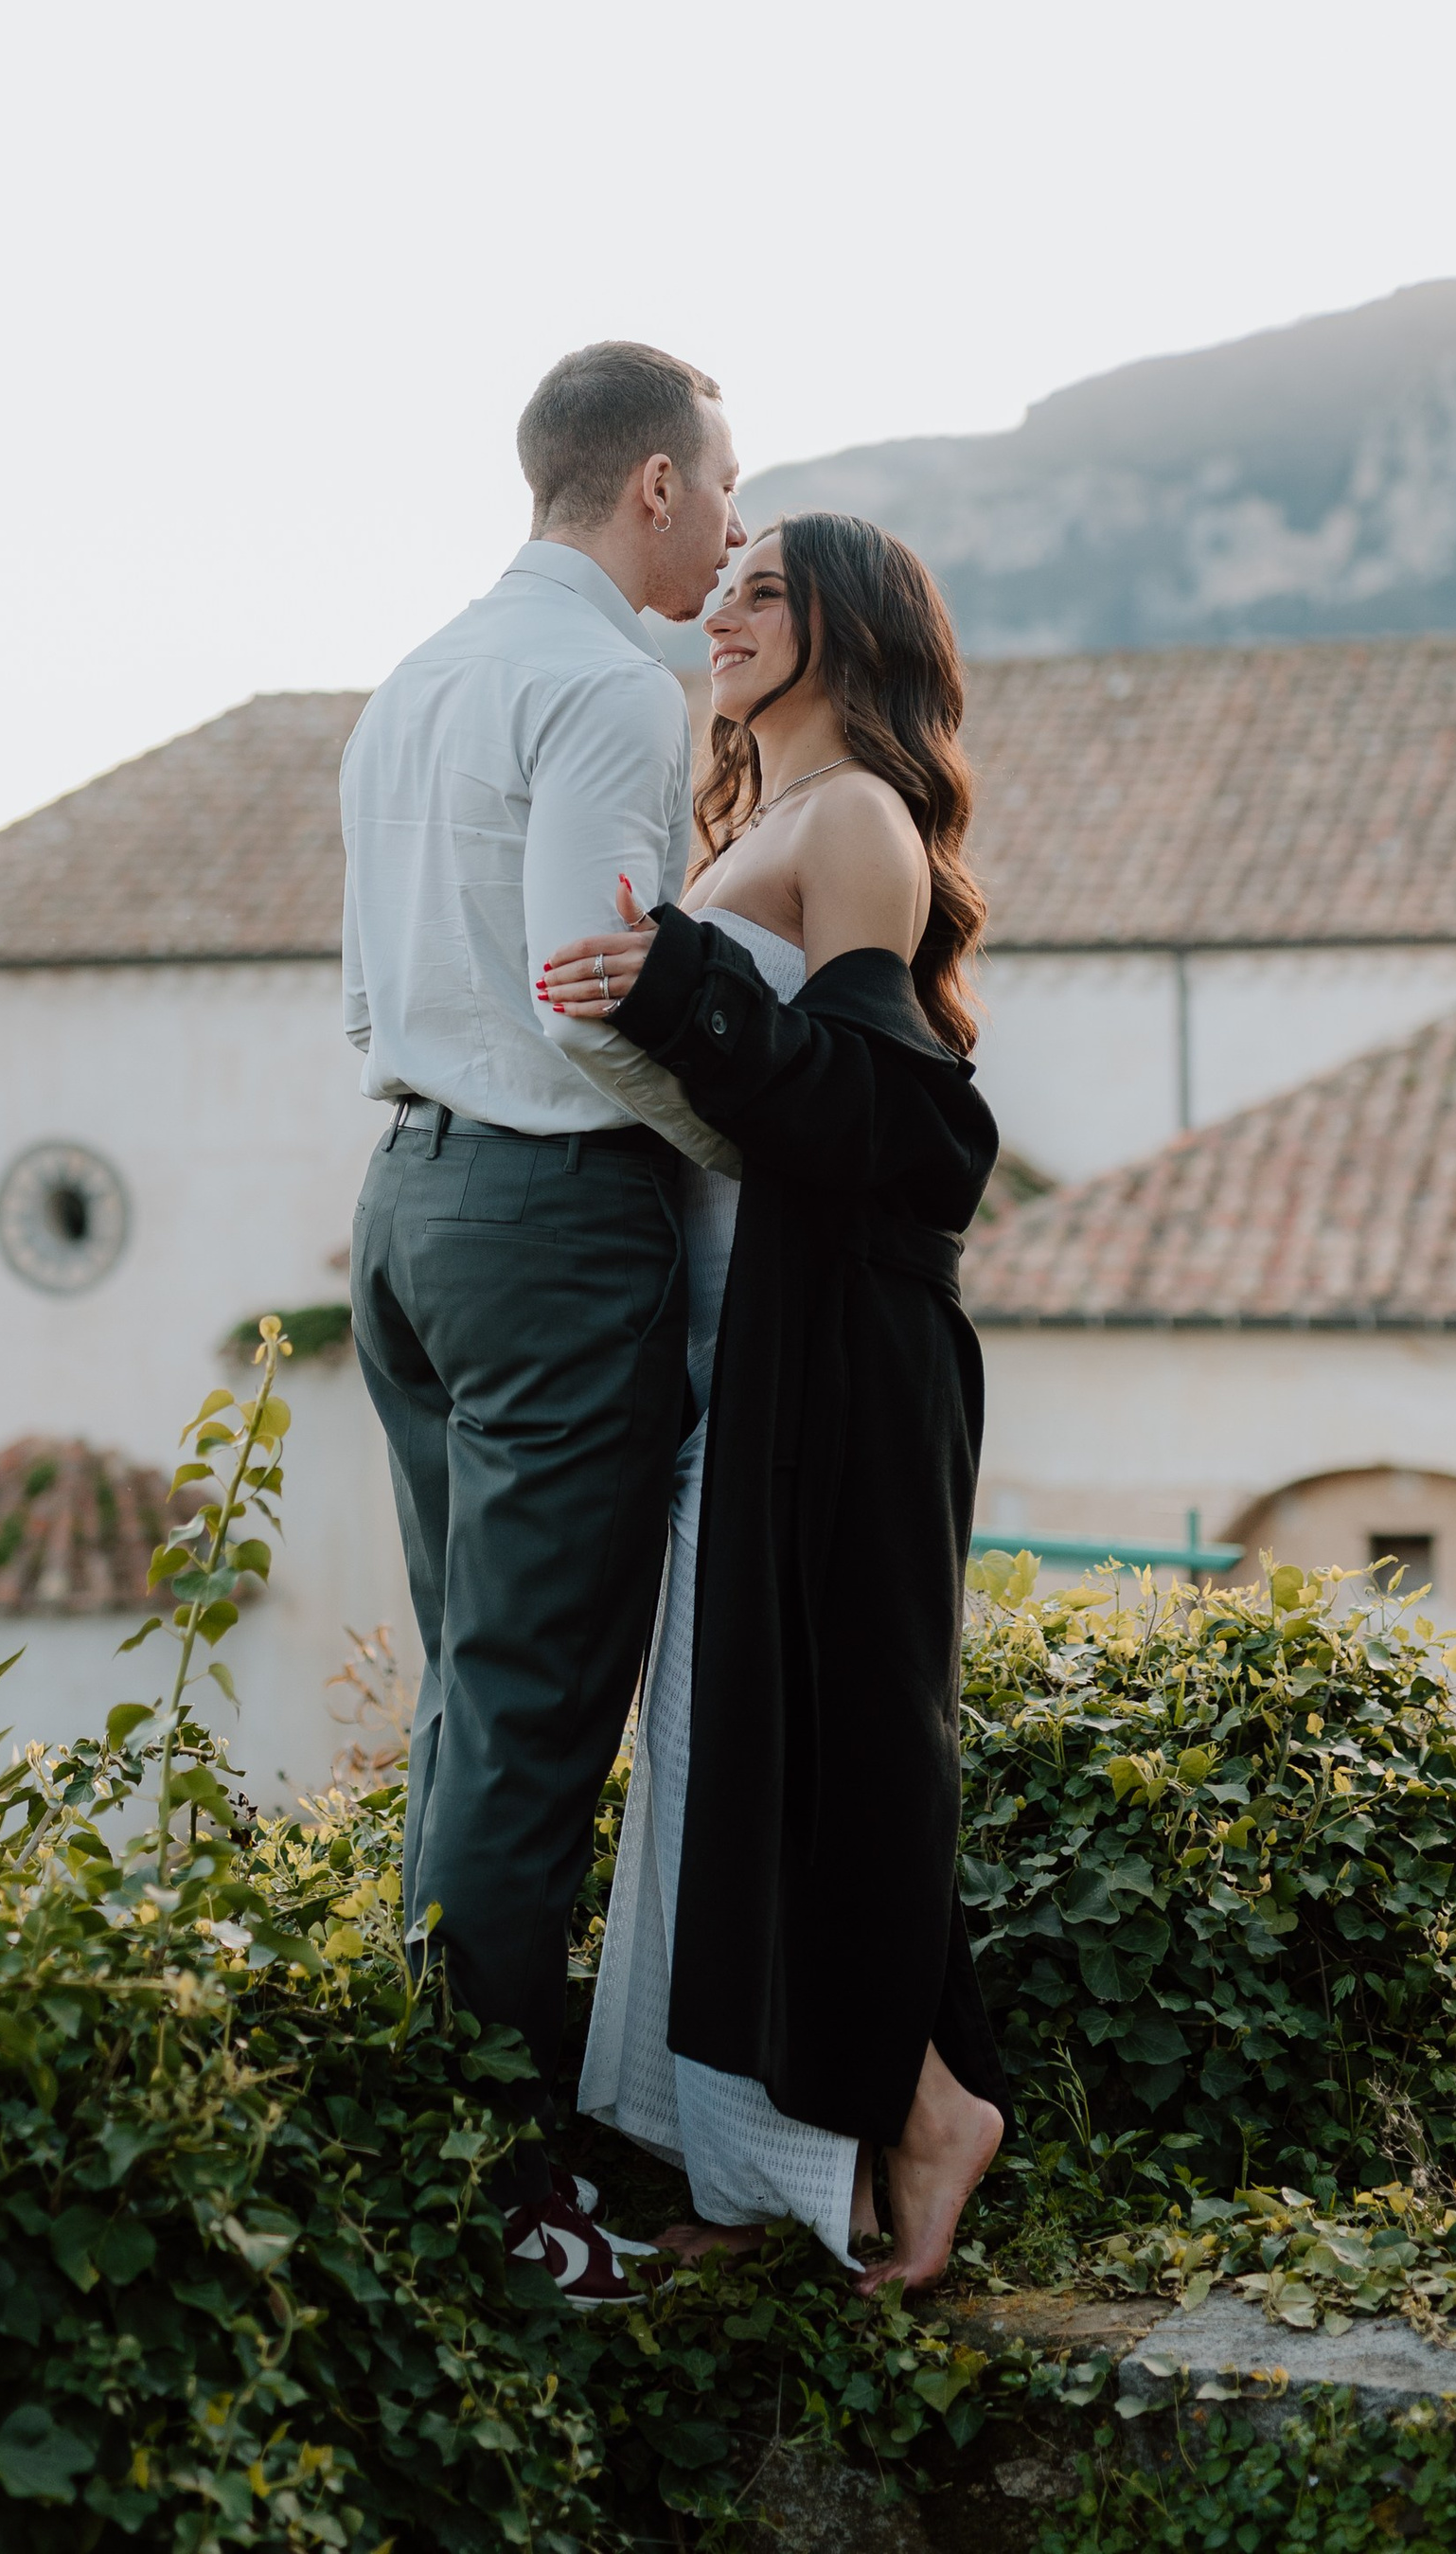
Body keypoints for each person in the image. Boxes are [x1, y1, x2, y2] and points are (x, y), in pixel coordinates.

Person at [546, 510, 1012, 2292]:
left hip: (846, 1352)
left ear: (849, 625)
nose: (722, 619)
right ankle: (786, 2161)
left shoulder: (859, 819)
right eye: (721, 591)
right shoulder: (754, 825)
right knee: (739, 1743)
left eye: (762, 595)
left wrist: (675, 989)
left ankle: (928, 2111)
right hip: (748, 1348)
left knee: (839, 1742)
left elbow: (897, 1127)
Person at [342, 340, 746, 2303]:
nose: (734, 528)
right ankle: (501, 2205)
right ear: (653, 483)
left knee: (467, 1696)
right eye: (724, 486)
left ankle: (423, 2124)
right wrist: (740, 1148)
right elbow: (597, 994)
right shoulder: (605, 687)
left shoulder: (411, 684)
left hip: (405, 1207)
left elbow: (375, 993)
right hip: (550, 1221)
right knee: (530, 1722)